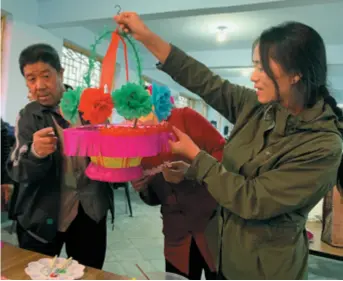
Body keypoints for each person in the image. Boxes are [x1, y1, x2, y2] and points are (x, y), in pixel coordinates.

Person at [114, 14, 343, 279]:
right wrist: (147, 37)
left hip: (265, 270)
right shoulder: (259, 107)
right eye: (253, 65)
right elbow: (205, 81)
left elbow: (253, 200)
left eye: (261, 67)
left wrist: (197, 159)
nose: (253, 76)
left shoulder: (323, 145)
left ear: (295, 74)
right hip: (223, 253)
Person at [6, 43, 114, 269]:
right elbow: (16, 168)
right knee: (37, 272)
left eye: (46, 76)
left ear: (61, 73)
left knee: (88, 272)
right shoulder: (28, 116)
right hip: (42, 216)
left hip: (90, 212)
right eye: (31, 79)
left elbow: (110, 157)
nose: (40, 86)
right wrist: (35, 153)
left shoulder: (88, 107)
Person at [132, 104, 225, 280]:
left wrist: (193, 171)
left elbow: (225, 157)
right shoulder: (138, 141)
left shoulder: (184, 118)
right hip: (176, 237)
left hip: (212, 228)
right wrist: (143, 187)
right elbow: (155, 197)